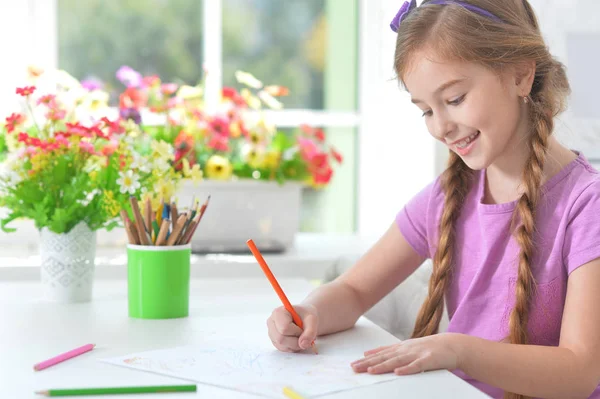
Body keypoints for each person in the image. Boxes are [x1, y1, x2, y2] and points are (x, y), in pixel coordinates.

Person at [266, 1, 600, 398]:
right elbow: (354, 290)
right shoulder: (447, 197)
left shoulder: (586, 205)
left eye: (455, 99)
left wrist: (456, 350)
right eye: (425, 110)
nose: (440, 127)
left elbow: (580, 371)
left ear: (520, 75)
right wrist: (310, 312)